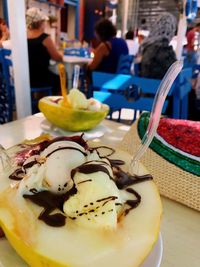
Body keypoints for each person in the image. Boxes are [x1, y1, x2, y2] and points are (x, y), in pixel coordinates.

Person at [26, 7, 63, 94]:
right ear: (40, 23)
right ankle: (54, 104)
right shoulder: (45, 38)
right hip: (41, 78)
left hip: (26, 78)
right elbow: (57, 58)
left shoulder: (24, 37)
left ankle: (40, 100)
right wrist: (62, 54)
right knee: (60, 79)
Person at [138, 12, 177, 80]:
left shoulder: (148, 45)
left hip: (145, 86)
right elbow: (175, 72)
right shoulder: (163, 49)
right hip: (156, 88)